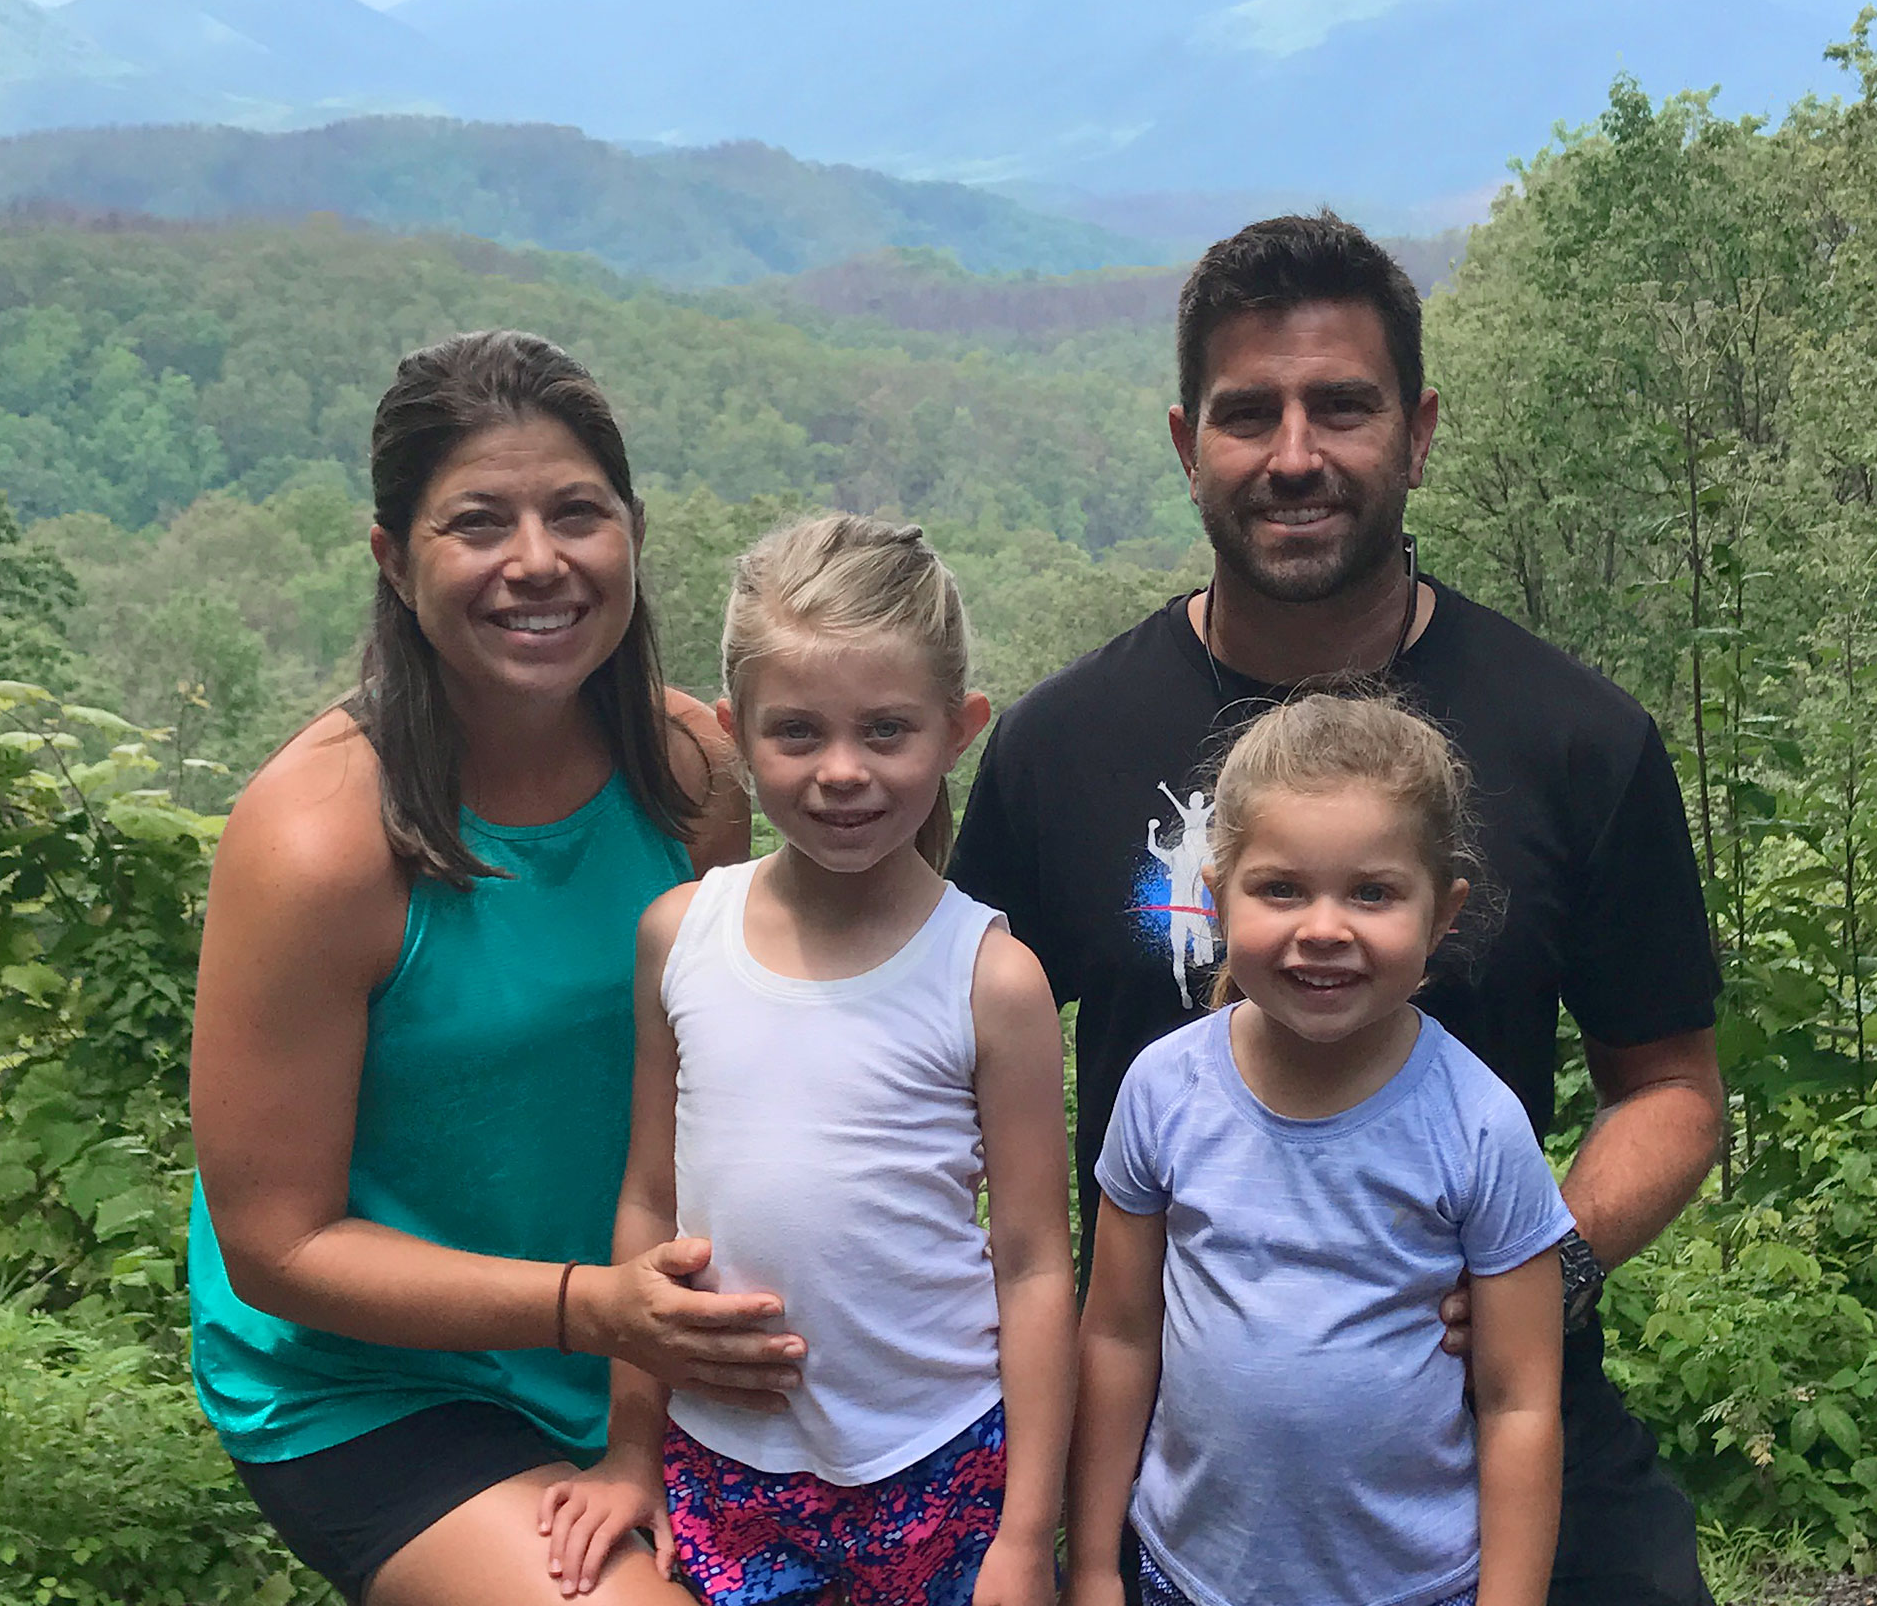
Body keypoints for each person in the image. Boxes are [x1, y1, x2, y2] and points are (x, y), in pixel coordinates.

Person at [950, 213, 1728, 1606]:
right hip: (1179, 1449)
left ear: (1418, 432)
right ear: (1189, 442)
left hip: (1490, 1409)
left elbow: (1672, 1087)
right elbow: (939, 1071)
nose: (1295, 457)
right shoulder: (1058, 750)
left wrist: (1539, 1264)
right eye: (1250, 415)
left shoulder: (1576, 742)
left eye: (1343, 408)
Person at [187, 330, 797, 1606]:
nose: (538, 561)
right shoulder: (318, 846)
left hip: (635, 1341)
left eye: (578, 513)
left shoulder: (688, 777)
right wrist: (591, 1307)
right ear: (393, 559)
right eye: (478, 523)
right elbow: (278, 1246)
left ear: (631, 530)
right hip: (379, 1380)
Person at [538, 513, 1077, 1606]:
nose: (843, 772)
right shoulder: (678, 936)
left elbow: (1031, 1263)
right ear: (736, 730)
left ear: (958, 727)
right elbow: (651, 1204)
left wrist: (1027, 1534)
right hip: (721, 1462)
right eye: (799, 733)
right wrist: (630, 1452)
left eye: (887, 731)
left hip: (943, 1458)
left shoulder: (989, 976)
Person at [1065, 691, 1572, 1606]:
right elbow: (1117, 1335)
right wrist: (1095, 1565)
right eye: (1282, 888)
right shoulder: (1162, 1091)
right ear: (1217, 897)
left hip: (1416, 1586)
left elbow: (1521, 1403)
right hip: (1189, 1577)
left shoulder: (1478, 1123)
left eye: (1372, 892)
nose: (1325, 927)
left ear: (1442, 913)